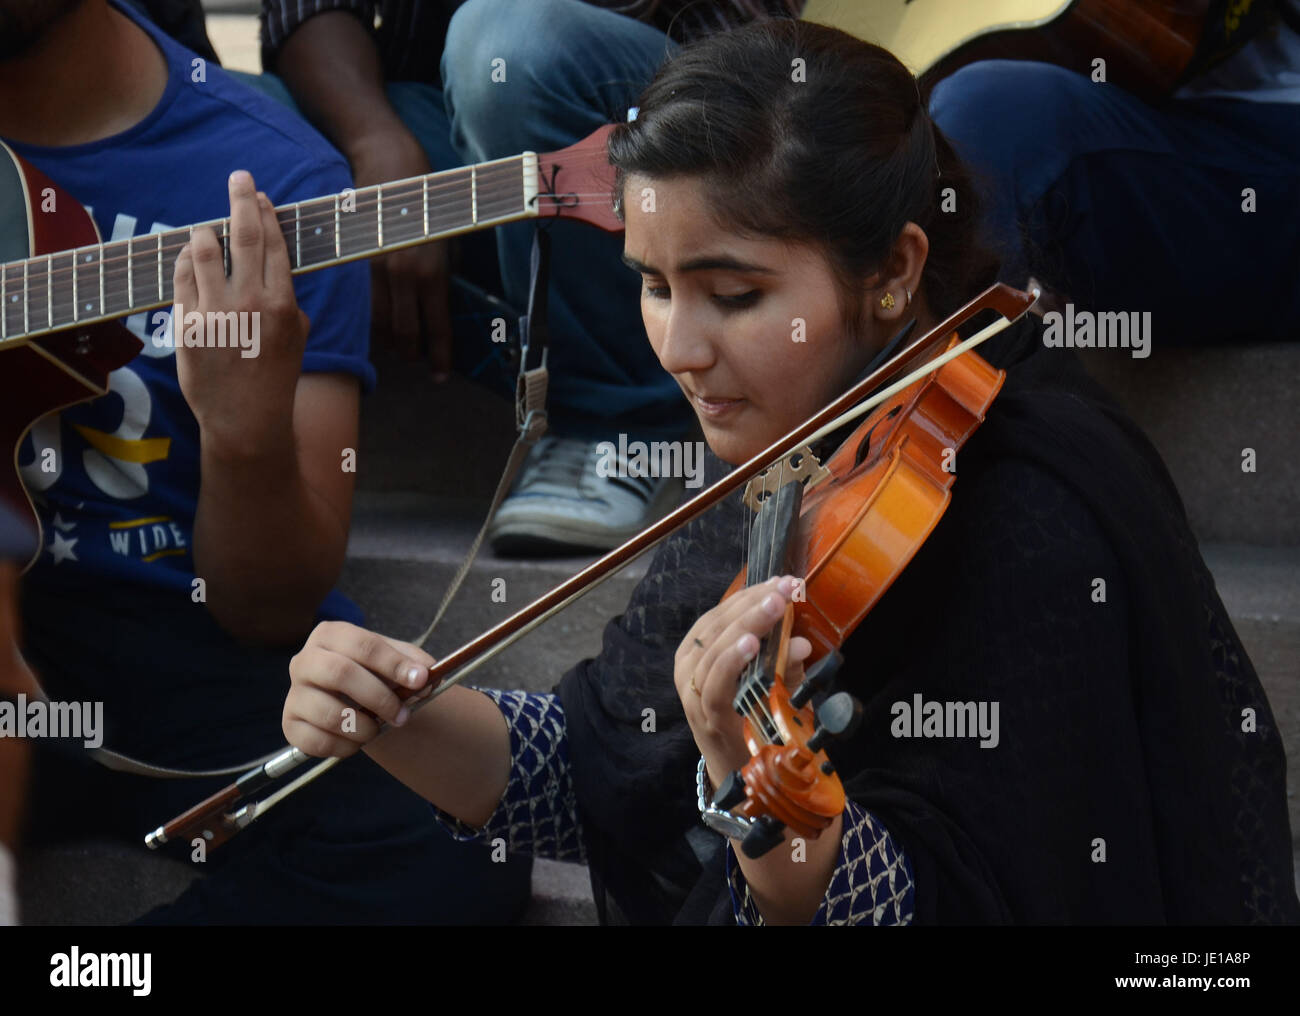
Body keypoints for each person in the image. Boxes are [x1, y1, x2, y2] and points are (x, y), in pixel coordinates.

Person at [281, 20, 1300, 924]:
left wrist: (761, 796)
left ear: (894, 272)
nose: (677, 346)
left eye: (732, 292)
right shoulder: (792, 441)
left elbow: (966, 897)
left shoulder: (1031, 512)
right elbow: (607, 765)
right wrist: (402, 716)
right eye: (650, 283)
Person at [2, 0, 529, 923]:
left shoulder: (274, 182)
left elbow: (268, 607)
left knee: (451, 829)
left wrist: (245, 440)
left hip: (185, 641)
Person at [257, 0, 804, 553]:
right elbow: (306, 11)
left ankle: (611, 420)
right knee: (250, 128)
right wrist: (375, 141)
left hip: (677, 104)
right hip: (432, 120)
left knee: (509, 44)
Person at [928, 0, 1300, 346]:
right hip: (1149, 120)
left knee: (983, 110)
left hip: (1270, 145)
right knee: (964, 116)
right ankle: (947, 393)